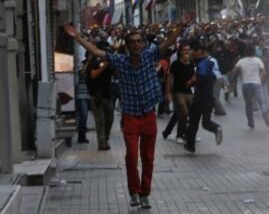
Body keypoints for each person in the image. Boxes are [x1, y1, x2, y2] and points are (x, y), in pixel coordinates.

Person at [63, 22, 185, 210]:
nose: (136, 44)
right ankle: (134, 191)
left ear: (143, 44)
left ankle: (145, 194)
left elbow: (168, 42)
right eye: (132, 42)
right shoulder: (120, 61)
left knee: (148, 158)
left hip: (148, 114)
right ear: (127, 46)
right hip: (130, 116)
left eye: (139, 41)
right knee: (132, 156)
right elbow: (97, 52)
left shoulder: (150, 55)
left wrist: (181, 26)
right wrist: (78, 37)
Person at [183, 41, 224, 154]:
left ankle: (190, 145)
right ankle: (216, 128)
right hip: (208, 97)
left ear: (203, 53)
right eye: (195, 54)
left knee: (193, 121)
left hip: (200, 97)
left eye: (197, 54)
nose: (195, 56)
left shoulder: (202, 64)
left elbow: (202, 78)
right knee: (205, 122)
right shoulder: (207, 64)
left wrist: (192, 81)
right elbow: (213, 78)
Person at [162, 44, 195, 142]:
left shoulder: (191, 63)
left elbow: (194, 75)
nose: (187, 52)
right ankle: (180, 135)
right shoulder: (175, 64)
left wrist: (192, 80)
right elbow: (169, 78)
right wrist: (168, 93)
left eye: (188, 50)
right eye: (184, 50)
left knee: (190, 113)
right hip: (178, 92)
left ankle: (168, 132)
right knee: (184, 112)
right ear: (180, 52)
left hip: (189, 92)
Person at [234, 48, 269, 129]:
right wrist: (261, 79)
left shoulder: (241, 61)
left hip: (246, 84)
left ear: (245, 53)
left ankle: (251, 122)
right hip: (256, 83)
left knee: (248, 104)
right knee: (261, 101)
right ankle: (264, 112)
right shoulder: (258, 60)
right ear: (254, 52)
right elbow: (264, 72)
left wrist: (232, 82)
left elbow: (235, 72)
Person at [86, 45, 115, 151]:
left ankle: (105, 139)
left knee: (110, 119)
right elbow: (93, 75)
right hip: (96, 96)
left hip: (107, 95)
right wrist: (104, 66)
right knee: (100, 120)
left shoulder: (110, 64)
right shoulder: (96, 62)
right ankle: (101, 142)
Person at [75, 58, 90, 145]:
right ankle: (81, 137)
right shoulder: (82, 64)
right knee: (84, 115)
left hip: (89, 95)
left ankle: (82, 136)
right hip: (81, 94)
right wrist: (88, 62)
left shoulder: (95, 63)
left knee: (85, 116)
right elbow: (81, 73)